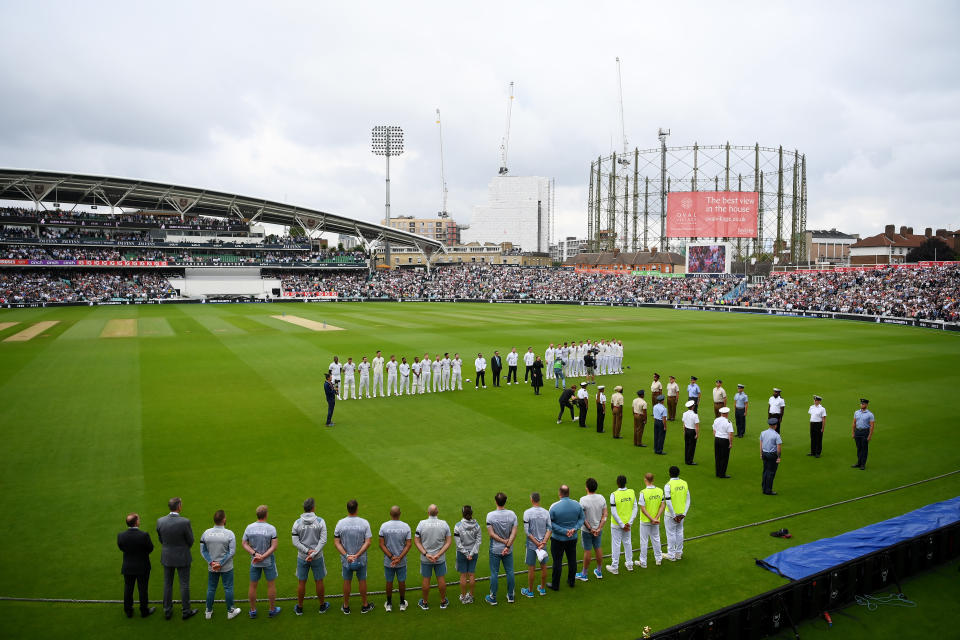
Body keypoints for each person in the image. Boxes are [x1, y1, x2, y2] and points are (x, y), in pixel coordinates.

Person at [156, 497, 197, 620]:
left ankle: (167, 611)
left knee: (167, 584)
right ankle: (186, 611)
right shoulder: (184, 522)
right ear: (179, 506)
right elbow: (191, 540)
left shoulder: (160, 521)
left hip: (167, 556)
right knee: (184, 585)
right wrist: (183, 548)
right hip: (182, 556)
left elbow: (161, 539)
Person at [333, 499, 374, 614]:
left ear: (347, 509)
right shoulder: (364, 523)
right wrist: (357, 555)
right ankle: (365, 605)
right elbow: (368, 542)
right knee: (362, 580)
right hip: (360, 559)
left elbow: (337, 542)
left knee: (347, 581)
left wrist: (347, 556)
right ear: (357, 508)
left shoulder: (340, 523)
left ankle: (346, 606)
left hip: (347, 560)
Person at [291, 498, 330, 616]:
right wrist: (313, 553)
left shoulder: (297, 523)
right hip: (317, 556)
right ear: (313, 508)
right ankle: (322, 606)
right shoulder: (321, 521)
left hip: (302, 557)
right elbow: (323, 541)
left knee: (301, 582)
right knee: (319, 580)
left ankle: (300, 608)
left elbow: (295, 542)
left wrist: (307, 552)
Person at [200, 510, 241, 620]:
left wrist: (212, 563)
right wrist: (220, 563)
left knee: (211, 588)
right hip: (226, 567)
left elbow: (203, 551)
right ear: (224, 520)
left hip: (212, 567)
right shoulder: (229, 533)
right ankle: (230, 611)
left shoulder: (206, 533)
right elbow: (231, 552)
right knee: (228, 588)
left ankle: (208, 611)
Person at [242, 505, 281, 619]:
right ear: (266, 515)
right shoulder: (271, 528)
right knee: (271, 584)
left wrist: (255, 554)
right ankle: (272, 609)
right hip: (268, 560)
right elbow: (274, 546)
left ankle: (253, 610)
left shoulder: (249, 528)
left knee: (253, 585)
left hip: (255, 561)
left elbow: (244, 543)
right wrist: (263, 556)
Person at [118, 512, 156, 619]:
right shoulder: (143, 535)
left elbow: (121, 548)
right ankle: (144, 610)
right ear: (136, 523)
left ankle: (128, 610)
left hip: (128, 566)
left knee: (128, 589)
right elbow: (150, 548)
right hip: (142, 566)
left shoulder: (121, 536)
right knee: (143, 589)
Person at [414, 504, 451, 610]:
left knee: (426, 579)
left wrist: (426, 554)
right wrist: (438, 554)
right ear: (437, 512)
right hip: (440, 558)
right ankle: (443, 601)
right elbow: (448, 542)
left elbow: (417, 541)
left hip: (426, 558)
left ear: (428, 512)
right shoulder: (444, 524)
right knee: (441, 578)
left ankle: (425, 602)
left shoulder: (421, 524)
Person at [547, 485, 584, 590]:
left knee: (557, 562)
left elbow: (550, 523)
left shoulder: (554, 506)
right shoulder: (577, 505)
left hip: (558, 539)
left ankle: (555, 585)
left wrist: (564, 531)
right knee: (572, 559)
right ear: (569, 493)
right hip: (572, 538)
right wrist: (574, 529)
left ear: (560, 494)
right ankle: (571, 581)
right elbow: (582, 518)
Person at [485, 492, 518, 605]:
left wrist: (503, 542)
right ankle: (511, 596)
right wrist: (507, 545)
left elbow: (491, 534)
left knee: (494, 572)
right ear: (505, 501)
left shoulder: (490, 515)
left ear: (495, 501)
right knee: (510, 572)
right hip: (508, 549)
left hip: (495, 549)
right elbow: (514, 533)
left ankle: (493, 597)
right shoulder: (512, 514)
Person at [378, 505, 412, 612]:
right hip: (401, 561)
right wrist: (399, 558)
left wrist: (392, 557)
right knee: (401, 581)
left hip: (389, 561)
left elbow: (381, 544)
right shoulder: (406, 526)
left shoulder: (384, 526)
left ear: (390, 514)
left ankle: (389, 604)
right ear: (400, 513)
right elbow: (408, 545)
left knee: (389, 581)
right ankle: (402, 603)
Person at [576, 477, 607, 581]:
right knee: (598, 548)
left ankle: (584, 574)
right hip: (598, 529)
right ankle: (599, 571)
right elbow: (605, 515)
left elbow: (582, 517)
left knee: (587, 550)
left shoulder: (583, 500)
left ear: (587, 488)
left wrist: (590, 529)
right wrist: (599, 528)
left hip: (587, 530)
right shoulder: (601, 498)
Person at [521, 492, 551, 598]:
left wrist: (536, 543)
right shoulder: (546, 513)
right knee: (544, 567)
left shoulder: (527, 513)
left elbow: (527, 532)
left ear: (531, 500)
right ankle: (542, 589)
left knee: (531, 568)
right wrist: (543, 542)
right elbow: (549, 529)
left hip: (531, 545)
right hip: (543, 545)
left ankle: (530, 591)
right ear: (539, 500)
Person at [605, 475, 637, 574]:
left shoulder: (614, 494)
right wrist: (629, 523)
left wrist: (622, 524)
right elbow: (635, 508)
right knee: (627, 542)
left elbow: (613, 512)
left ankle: (615, 567)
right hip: (627, 524)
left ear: (617, 483)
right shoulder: (632, 492)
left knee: (616, 544)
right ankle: (630, 564)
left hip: (617, 524)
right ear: (625, 482)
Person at [454, 505, 481, 604]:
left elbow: (458, 543)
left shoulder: (457, 526)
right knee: (472, 574)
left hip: (462, 553)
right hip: (473, 553)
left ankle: (464, 597)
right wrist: (471, 553)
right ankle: (471, 596)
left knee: (463, 575)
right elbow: (478, 541)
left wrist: (466, 554)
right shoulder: (477, 526)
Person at [636, 473, 664, 568]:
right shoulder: (660, 491)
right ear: (653, 480)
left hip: (645, 520)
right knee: (656, 538)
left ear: (645, 480)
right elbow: (662, 506)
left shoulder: (643, 493)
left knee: (644, 541)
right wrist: (656, 518)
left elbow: (643, 509)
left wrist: (652, 519)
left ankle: (643, 562)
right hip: (656, 520)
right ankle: (658, 559)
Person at [663, 467, 690, 561]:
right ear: (679, 473)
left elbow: (668, 502)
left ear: (669, 473)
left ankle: (671, 555)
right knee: (679, 532)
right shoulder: (684, 483)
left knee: (670, 534)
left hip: (671, 515)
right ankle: (678, 553)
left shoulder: (668, 485)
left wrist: (674, 515)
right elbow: (688, 499)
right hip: (681, 514)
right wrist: (684, 514)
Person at [851, 398, 875, 470]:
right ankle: (859, 462)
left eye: (863, 404)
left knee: (864, 449)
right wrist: (853, 432)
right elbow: (854, 423)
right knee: (859, 448)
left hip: (865, 432)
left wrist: (870, 435)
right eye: (861, 404)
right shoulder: (856, 412)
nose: (862, 405)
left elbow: (872, 426)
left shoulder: (870, 414)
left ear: (866, 405)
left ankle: (863, 464)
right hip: (858, 431)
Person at [761, 418, 783, 494]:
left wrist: (761, 453)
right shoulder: (776, 435)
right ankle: (768, 490)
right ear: (775, 425)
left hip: (764, 453)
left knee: (765, 471)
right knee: (771, 472)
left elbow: (761, 443)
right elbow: (779, 448)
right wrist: (779, 457)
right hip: (772, 455)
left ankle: (764, 488)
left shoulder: (763, 433)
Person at [713, 407, 734, 478]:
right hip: (724, 440)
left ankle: (718, 472)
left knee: (717, 456)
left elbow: (714, 431)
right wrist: (730, 443)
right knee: (724, 457)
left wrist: (716, 437)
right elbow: (730, 434)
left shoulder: (716, 420)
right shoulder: (728, 422)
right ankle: (722, 474)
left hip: (717, 439)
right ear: (727, 414)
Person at [681, 400, 700, 465]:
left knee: (687, 445)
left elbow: (684, 424)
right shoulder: (695, 415)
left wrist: (684, 431)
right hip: (692, 431)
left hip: (686, 430)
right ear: (693, 406)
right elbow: (696, 426)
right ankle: (690, 461)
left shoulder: (684, 413)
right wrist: (697, 434)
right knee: (692, 446)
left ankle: (686, 459)